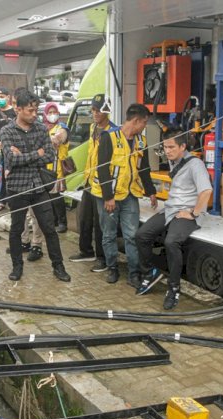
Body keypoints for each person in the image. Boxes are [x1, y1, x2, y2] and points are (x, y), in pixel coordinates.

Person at [135, 127, 212, 309]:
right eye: (165, 147)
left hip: (186, 213)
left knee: (171, 242)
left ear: (182, 146)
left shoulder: (195, 165)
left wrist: (193, 213)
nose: (167, 151)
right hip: (170, 210)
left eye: (171, 147)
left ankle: (174, 287)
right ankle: (150, 273)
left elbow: (207, 191)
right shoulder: (173, 161)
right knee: (141, 235)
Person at [0, 90, 71, 283]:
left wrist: (23, 154)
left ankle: (58, 266)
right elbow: (10, 159)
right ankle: (17, 267)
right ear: (18, 109)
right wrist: (35, 153)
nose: (34, 114)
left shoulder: (40, 129)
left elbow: (49, 155)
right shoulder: (7, 131)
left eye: (35, 110)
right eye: (30, 111)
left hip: (39, 187)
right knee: (16, 229)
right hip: (17, 187)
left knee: (49, 228)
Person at [92, 103, 157, 288]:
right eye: (144, 122)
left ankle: (134, 273)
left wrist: (151, 191)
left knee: (132, 235)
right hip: (109, 195)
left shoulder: (141, 141)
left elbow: (143, 168)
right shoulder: (109, 137)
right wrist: (108, 197)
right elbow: (102, 168)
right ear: (135, 121)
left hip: (130, 195)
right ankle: (112, 268)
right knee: (109, 234)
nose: (145, 126)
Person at [69, 94, 114, 271]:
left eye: (98, 110)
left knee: (100, 223)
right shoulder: (93, 128)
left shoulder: (112, 132)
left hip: (102, 184)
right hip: (89, 180)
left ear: (106, 111)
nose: (95, 113)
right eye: (93, 110)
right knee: (84, 218)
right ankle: (86, 251)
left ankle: (102, 258)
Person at [43, 102, 69, 233]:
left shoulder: (62, 127)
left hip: (57, 169)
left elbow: (59, 139)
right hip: (46, 169)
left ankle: (62, 222)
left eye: (55, 112)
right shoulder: (44, 128)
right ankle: (53, 221)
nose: (52, 115)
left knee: (56, 197)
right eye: (50, 112)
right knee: (48, 198)